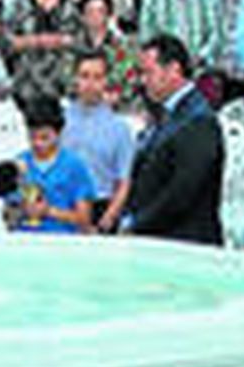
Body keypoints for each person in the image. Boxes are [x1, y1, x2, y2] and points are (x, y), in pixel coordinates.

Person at [121, 35, 222, 243]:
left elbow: (182, 191)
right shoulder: (169, 114)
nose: (143, 80)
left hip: (185, 244)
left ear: (174, 70)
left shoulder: (198, 119)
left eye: (148, 72)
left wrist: (138, 224)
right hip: (159, 237)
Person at [63, 50, 135, 232]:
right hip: (62, 207)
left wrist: (109, 217)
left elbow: (124, 180)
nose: (90, 84)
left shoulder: (120, 128)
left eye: (97, 77)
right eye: (85, 76)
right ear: (75, 79)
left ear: (106, 82)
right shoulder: (60, 122)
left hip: (101, 210)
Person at [8, 97, 94, 232]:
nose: (38, 144)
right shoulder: (19, 163)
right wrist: (22, 210)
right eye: (32, 137)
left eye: (45, 138)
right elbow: (7, 216)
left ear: (59, 133)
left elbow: (84, 220)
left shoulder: (74, 166)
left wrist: (49, 211)